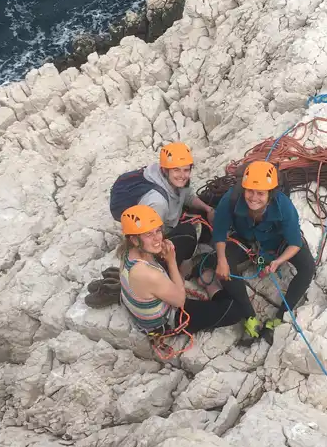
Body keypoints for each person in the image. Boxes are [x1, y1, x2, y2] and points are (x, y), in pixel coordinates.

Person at [212, 160, 316, 345]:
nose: (254, 197)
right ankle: (249, 316)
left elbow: (295, 243)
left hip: (278, 242)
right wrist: (221, 259)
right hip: (246, 240)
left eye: (261, 193)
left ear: (270, 194)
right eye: (250, 191)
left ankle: (282, 314)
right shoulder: (231, 200)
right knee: (223, 266)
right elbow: (219, 232)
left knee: (308, 267)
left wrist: (278, 261)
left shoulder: (283, 206)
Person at [118, 204, 246, 339]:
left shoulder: (128, 252)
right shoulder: (147, 274)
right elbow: (180, 301)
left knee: (187, 232)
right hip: (166, 321)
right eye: (149, 234)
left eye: (157, 231)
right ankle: (209, 284)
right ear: (134, 239)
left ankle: (183, 274)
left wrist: (161, 251)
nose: (157, 238)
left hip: (153, 289)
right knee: (235, 310)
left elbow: (154, 251)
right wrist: (171, 261)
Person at [137, 142, 215, 272]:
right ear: (165, 170)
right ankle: (183, 272)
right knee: (189, 233)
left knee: (204, 207)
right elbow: (148, 236)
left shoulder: (174, 181)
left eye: (186, 170)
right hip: (154, 238)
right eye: (176, 170)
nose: (182, 175)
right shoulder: (157, 202)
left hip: (166, 222)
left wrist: (208, 209)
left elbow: (188, 196)